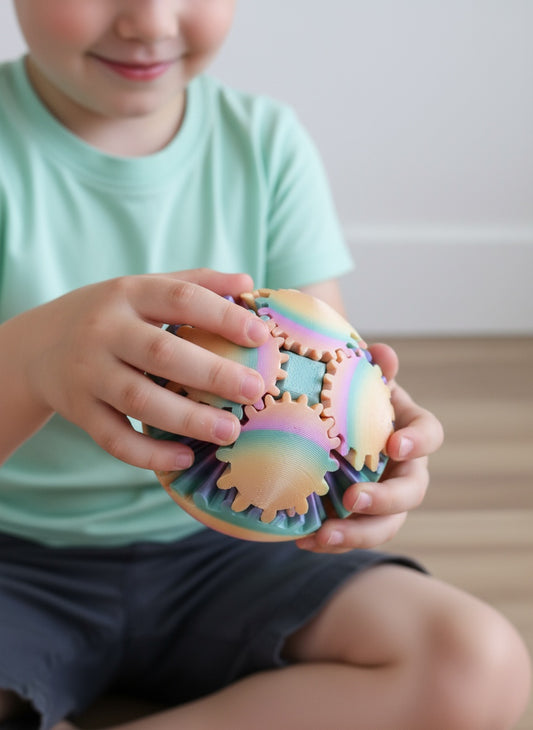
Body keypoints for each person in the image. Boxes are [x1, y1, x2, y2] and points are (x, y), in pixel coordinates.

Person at [0, 2, 530, 729]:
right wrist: (32, 359)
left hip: (224, 557)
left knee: (475, 665)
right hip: (15, 559)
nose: (150, 20)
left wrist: (367, 470)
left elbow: (329, 372)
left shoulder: (265, 143)